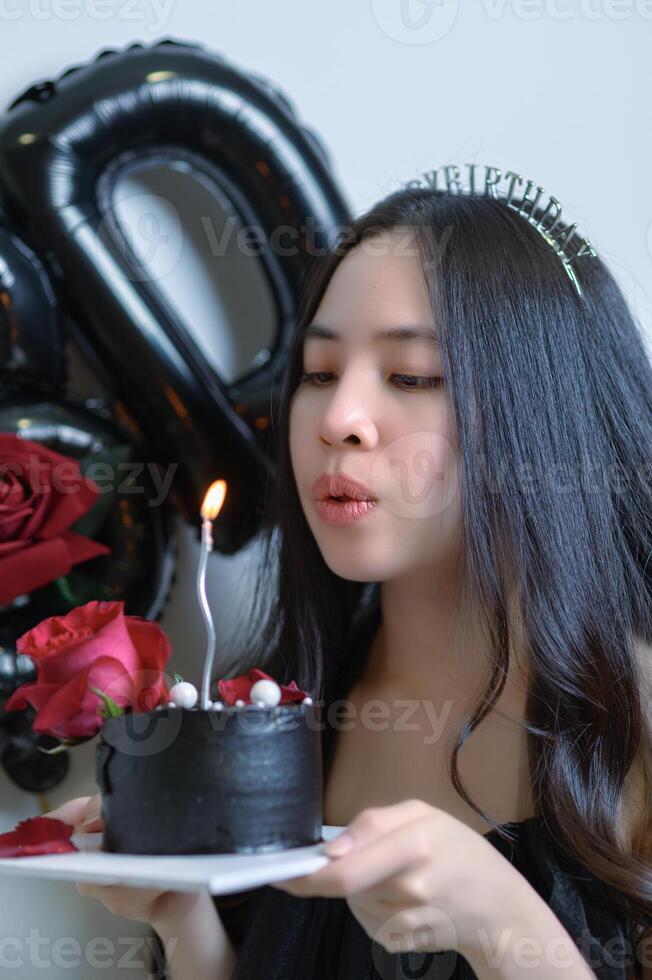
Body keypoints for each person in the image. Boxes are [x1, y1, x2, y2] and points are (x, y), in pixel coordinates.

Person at [50, 175, 652, 979]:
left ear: (538, 410)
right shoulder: (279, 714)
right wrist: (184, 918)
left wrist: (504, 924)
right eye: (320, 372)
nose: (338, 421)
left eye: (410, 376)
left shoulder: (635, 725)